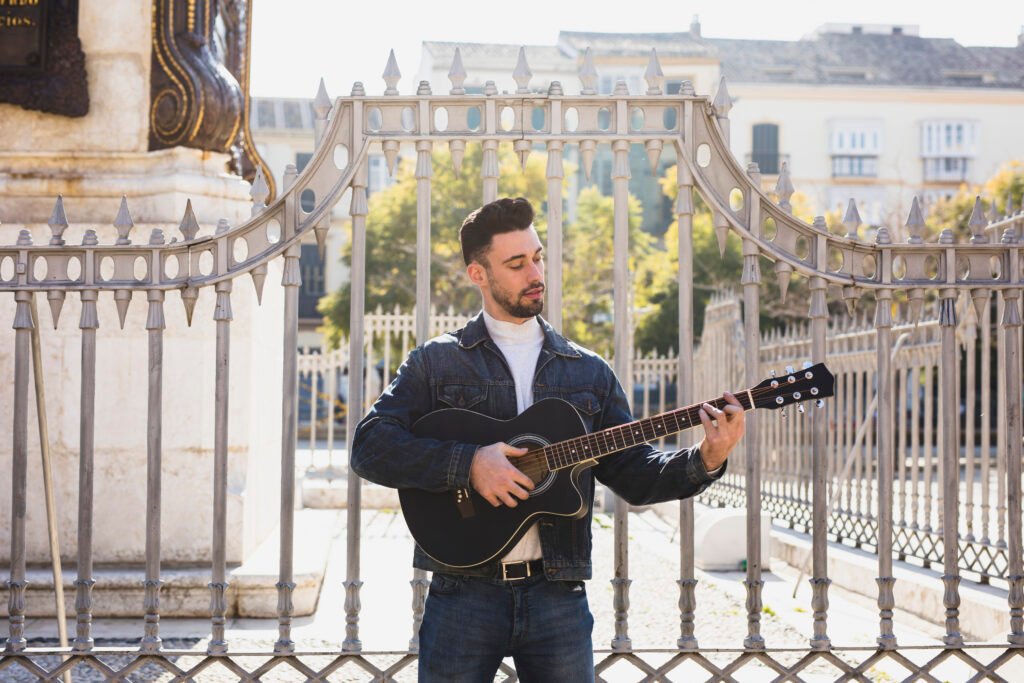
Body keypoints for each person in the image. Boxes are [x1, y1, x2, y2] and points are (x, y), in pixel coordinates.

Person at [351, 197, 744, 682]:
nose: (535, 273)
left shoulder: (587, 371)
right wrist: (469, 464)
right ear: (478, 274)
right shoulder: (435, 362)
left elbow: (633, 475)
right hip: (462, 593)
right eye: (516, 264)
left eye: (537, 257)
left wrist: (707, 456)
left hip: (557, 594)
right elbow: (370, 447)